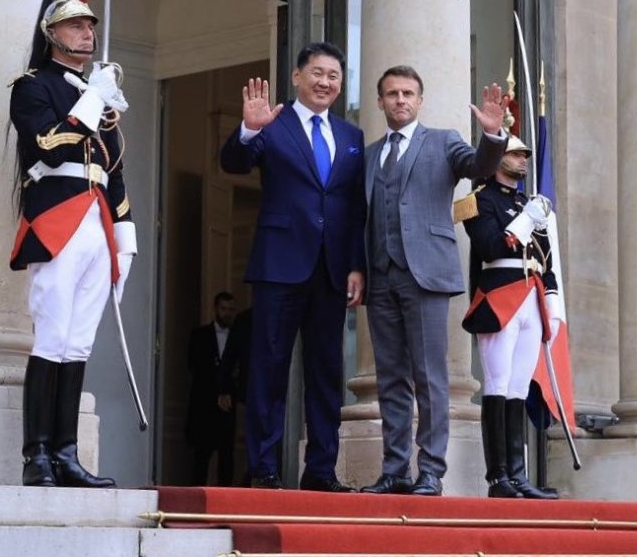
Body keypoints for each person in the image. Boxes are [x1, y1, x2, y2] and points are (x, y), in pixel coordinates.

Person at [9, 0, 135, 489]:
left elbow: (115, 170)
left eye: (89, 26)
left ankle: (66, 452)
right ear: (52, 31)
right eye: (76, 25)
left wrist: (125, 239)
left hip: (97, 222)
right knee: (52, 335)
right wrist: (91, 103)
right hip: (58, 217)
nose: (87, 33)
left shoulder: (97, 94)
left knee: (79, 341)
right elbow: (48, 145)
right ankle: (36, 453)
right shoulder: (33, 86)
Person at [219, 42, 365, 492]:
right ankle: (263, 467)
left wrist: (356, 265)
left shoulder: (351, 136)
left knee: (326, 372)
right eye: (317, 73)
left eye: (334, 76)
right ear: (297, 76)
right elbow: (233, 163)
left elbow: (354, 207)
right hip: (280, 263)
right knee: (268, 367)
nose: (325, 82)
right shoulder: (273, 122)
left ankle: (321, 470)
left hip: (331, 269)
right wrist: (249, 129)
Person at [359, 66, 507, 497]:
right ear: (380, 101)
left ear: (420, 101)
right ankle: (394, 470)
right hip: (380, 278)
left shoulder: (442, 141)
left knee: (430, 377)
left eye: (408, 93)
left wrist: (492, 135)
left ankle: (430, 472)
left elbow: (479, 165)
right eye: (392, 94)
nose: (400, 100)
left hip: (425, 275)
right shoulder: (369, 155)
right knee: (390, 379)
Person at [461, 137, 561, 499]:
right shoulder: (477, 200)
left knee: (519, 387)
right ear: (496, 158)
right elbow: (489, 246)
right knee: (498, 384)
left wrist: (551, 299)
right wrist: (525, 220)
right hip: (499, 295)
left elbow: (545, 257)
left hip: (531, 296)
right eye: (515, 154)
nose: (522, 160)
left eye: (524, 155)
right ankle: (498, 477)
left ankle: (518, 476)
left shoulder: (525, 202)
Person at [186, 291, 240, 486]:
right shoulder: (199, 335)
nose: (227, 313)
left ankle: (226, 494)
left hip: (228, 404)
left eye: (231, 310)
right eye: (224, 309)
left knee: (227, 453)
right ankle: (196, 493)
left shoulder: (238, 336)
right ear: (216, 309)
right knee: (202, 453)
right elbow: (194, 366)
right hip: (204, 402)